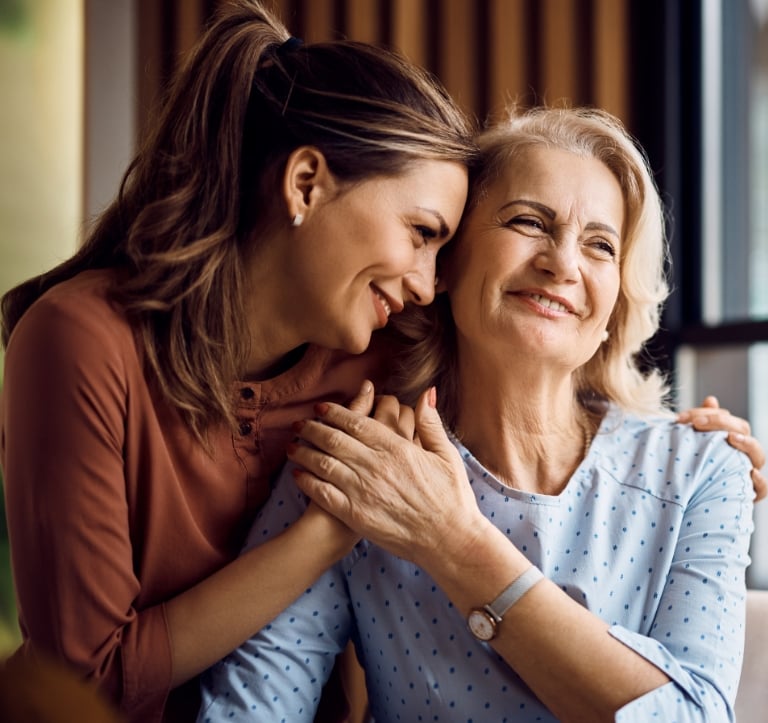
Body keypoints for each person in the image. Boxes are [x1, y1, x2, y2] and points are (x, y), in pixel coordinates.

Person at [1, 4, 765, 722]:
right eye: (428, 234)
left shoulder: (691, 468)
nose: (563, 263)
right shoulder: (363, 435)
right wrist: (332, 531)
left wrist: (702, 449)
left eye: (602, 243)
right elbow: (142, 685)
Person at [198, 107, 757, 721]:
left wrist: (456, 543)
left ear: (615, 306)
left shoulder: (704, 470)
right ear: (446, 264)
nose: (563, 263)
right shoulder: (361, 463)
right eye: (528, 221)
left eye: (600, 245)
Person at [0, 2, 475, 720]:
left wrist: (692, 437)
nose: (424, 283)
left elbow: (548, 414)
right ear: (306, 183)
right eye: (420, 233)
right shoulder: (80, 342)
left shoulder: (387, 363)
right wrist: (322, 533)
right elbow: (87, 681)